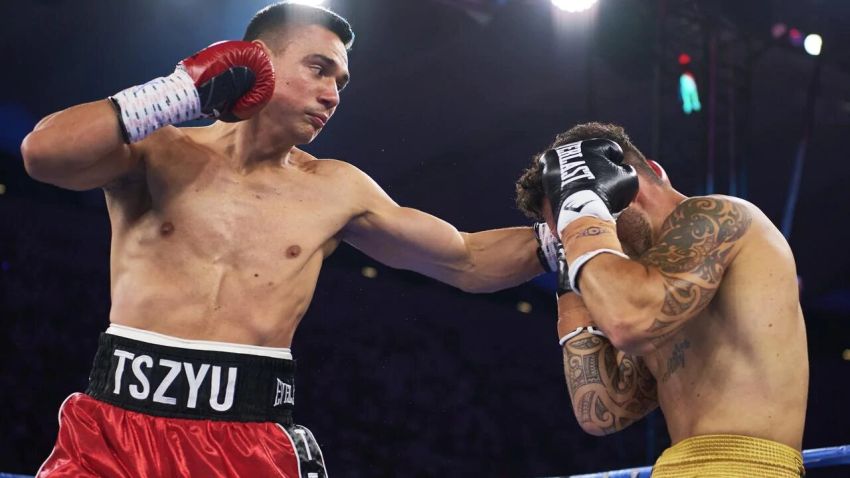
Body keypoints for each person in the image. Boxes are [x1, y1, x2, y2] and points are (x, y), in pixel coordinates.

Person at [21, 3, 560, 477]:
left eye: (340, 84)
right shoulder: (160, 150)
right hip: (113, 429)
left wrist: (574, 233)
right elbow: (42, 154)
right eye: (319, 70)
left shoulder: (336, 189)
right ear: (257, 58)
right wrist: (178, 91)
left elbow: (465, 259)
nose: (331, 94)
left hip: (245, 440)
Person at [515, 122, 809, 477]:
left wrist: (583, 218)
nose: (575, 234)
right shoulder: (654, 296)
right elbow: (602, 412)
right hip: (674, 466)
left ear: (648, 173)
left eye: (587, 208)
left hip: (745, 466)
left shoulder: (719, 215)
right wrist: (569, 280)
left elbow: (626, 321)